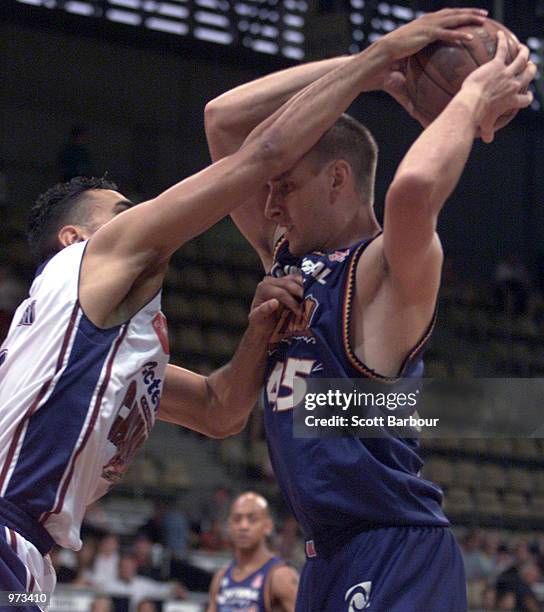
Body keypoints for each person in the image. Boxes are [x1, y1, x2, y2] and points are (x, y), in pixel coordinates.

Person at [0, 44, 371, 604]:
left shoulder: (90, 342)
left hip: (29, 550)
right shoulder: (84, 265)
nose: (143, 217)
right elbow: (256, 152)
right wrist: (377, 62)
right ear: (75, 240)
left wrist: (258, 330)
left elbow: (218, 410)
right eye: (124, 213)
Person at [204, 8, 536, 611]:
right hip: (324, 557)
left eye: (285, 186)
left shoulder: (385, 271)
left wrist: (473, 94)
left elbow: (411, 190)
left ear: (337, 179)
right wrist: (374, 66)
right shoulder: (283, 263)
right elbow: (224, 121)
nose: (269, 204)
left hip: (394, 548)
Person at [207, 492, 298, 612]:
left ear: (268, 526)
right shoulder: (221, 577)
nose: (243, 526)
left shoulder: (280, 576)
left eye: (252, 520)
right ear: (229, 526)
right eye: (237, 519)